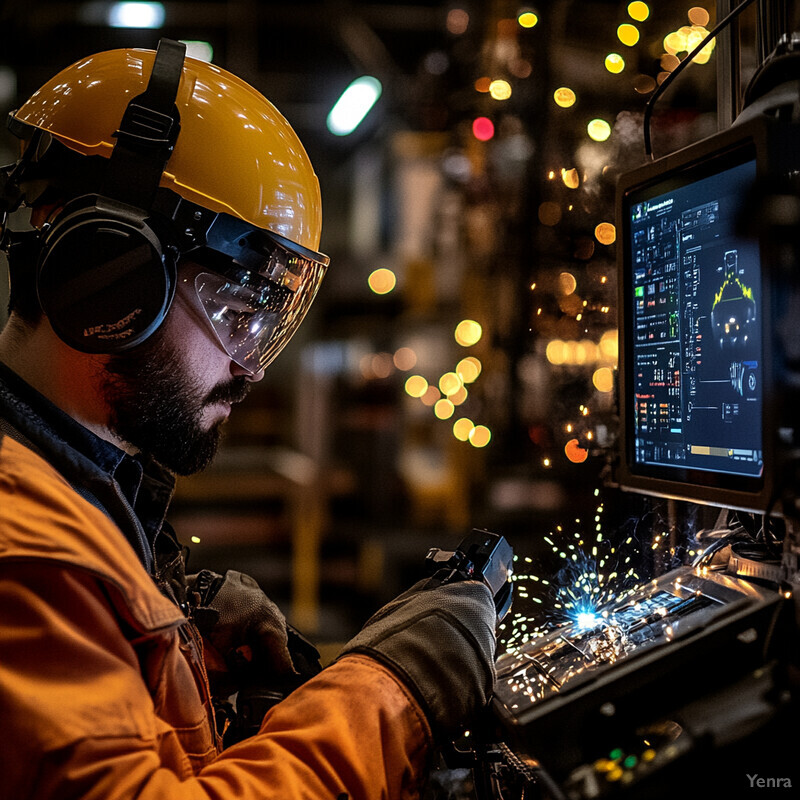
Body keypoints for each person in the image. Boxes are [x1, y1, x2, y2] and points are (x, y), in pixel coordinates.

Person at [0, 39, 498, 799]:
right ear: (110, 271)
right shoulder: (26, 552)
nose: (251, 368)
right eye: (236, 316)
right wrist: (393, 690)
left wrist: (174, 644)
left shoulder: (81, 491)